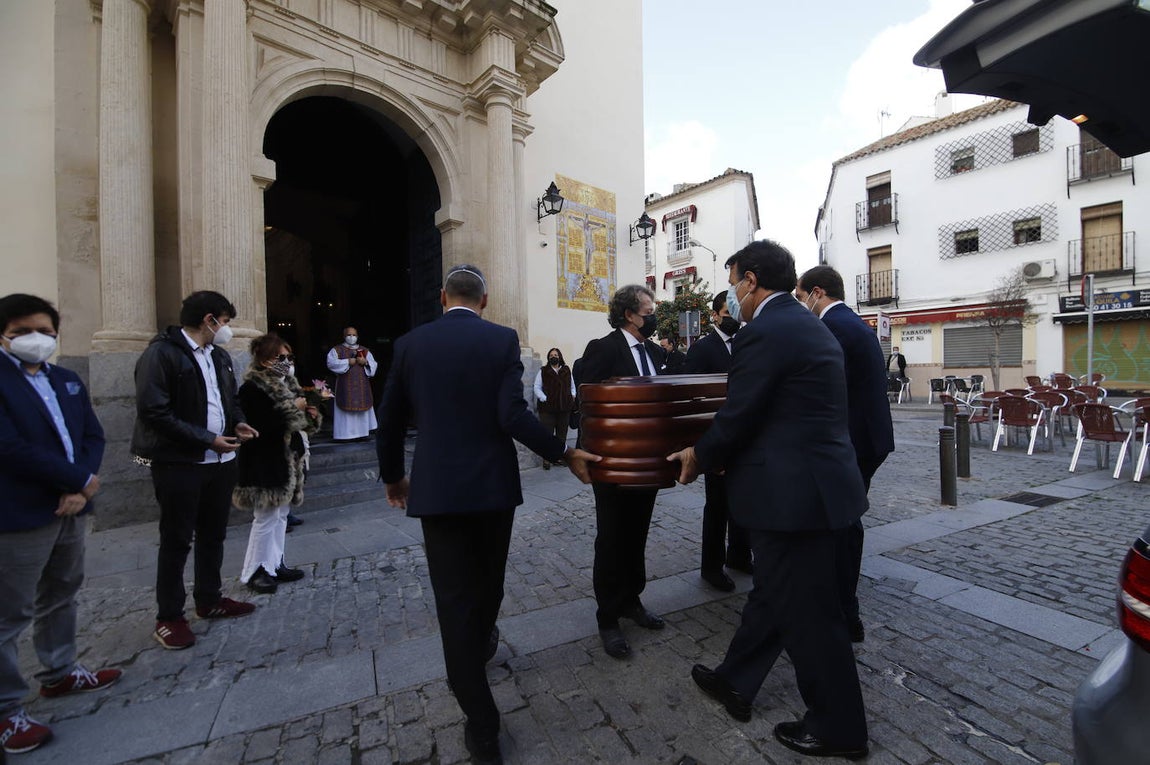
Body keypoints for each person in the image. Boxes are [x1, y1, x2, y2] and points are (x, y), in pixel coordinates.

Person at [376, 265, 599, 765]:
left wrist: (393, 477)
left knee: (454, 600)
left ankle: (482, 725)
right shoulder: (501, 340)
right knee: (489, 582)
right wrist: (563, 452)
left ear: (442, 297)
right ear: (485, 300)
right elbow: (512, 415)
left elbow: (388, 420)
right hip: (492, 488)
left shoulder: (411, 344)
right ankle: (479, 646)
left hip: (437, 490)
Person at [668, 241, 869, 760]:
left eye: (734, 281)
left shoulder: (764, 332)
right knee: (775, 594)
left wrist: (699, 455)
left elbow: (740, 414)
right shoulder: (806, 323)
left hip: (792, 496)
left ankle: (838, 728)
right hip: (818, 489)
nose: (733, 293)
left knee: (811, 616)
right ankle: (735, 680)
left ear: (752, 281)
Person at [0, 294, 120, 755]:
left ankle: (59, 670)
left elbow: (92, 434)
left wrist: (82, 486)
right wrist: (76, 480)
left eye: (46, 332)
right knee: (9, 613)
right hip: (21, 511)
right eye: (24, 331)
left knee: (61, 592)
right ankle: (6, 710)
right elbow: (9, 447)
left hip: (73, 505)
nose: (37, 339)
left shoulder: (65, 379)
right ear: (4, 335)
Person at [131, 291, 259, 651]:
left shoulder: (218, 356)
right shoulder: (161, 354)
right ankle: (169, 616)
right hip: (180, 463)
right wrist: (206, 439)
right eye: (226, 321)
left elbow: (229, 399)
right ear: (210, 320)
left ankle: (209, 598)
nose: (228, 329)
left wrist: (238, 423)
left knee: (213, 534)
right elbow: (154, 411)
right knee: (176, 540)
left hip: (220, 463)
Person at [796, 266, 895, 643]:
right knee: (842, 520)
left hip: (853, 442)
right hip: (869, 439)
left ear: (817, 292)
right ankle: (838, 604)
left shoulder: (833, 327)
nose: (801, 303)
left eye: (801, 296)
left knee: (842, 525)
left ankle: (843, 610)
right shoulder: (853, 323)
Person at [578, 284, 667, 660]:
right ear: (629, 314)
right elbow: (586, 395)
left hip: (647, 463)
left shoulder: (654, 352)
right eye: (649, 311)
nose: (654, 317)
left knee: (637, 535)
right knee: (612, 539)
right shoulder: (604, 348)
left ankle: (632, 600)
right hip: (612, 464)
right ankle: (608, 616)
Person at [234, 336, 321, 594]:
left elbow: (299, 424)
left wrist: (310, 414)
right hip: (265, 459)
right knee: (265, 517)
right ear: (264, 360)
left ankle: (275, 562)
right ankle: (255, 570)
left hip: (287, 458)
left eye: (289, 357)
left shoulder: (288, 384)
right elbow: (261, 426)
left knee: (281, 515)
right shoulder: (252, 388)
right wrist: (294, 409)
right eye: (280, 358)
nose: (286, 362)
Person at [682, 292, 752, 592]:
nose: (732, 319)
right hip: (716, 436)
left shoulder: (746, 343)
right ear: (714, 315)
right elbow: (692, 398)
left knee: (743, 501)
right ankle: (711, 566)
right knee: (718, 506)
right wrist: (703, 445)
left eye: (735, 313)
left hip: (743, 436)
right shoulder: (702, 348)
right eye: (726, 314)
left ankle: (740, 555)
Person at [326, 327, 378, 441]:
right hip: (344, 386)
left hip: (361, 386)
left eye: (354, 335)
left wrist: (366, 362)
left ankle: (362, 434)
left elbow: (374, 364)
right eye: (349, 335)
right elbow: (331, 363)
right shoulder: (337, 350)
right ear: (344, 336)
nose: (351, 337)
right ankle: (345, 435)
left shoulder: (365, 350)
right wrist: (348, 361)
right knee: (345, 409)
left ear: (357, 336)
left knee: (362, 408)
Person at [533, 348, 576, 469]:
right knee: (547, 434)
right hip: (547, 409)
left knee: (561, 435)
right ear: (548, 357)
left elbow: (572, 386)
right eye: (551, 355)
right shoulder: (543, 371)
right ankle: (546, 458)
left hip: (564, 408)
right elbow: (537, 387)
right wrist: (544, 398)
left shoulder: (566, 370)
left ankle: (558, 458)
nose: (554, 357)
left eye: (556, 355)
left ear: (560, 357)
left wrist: (572, 395)